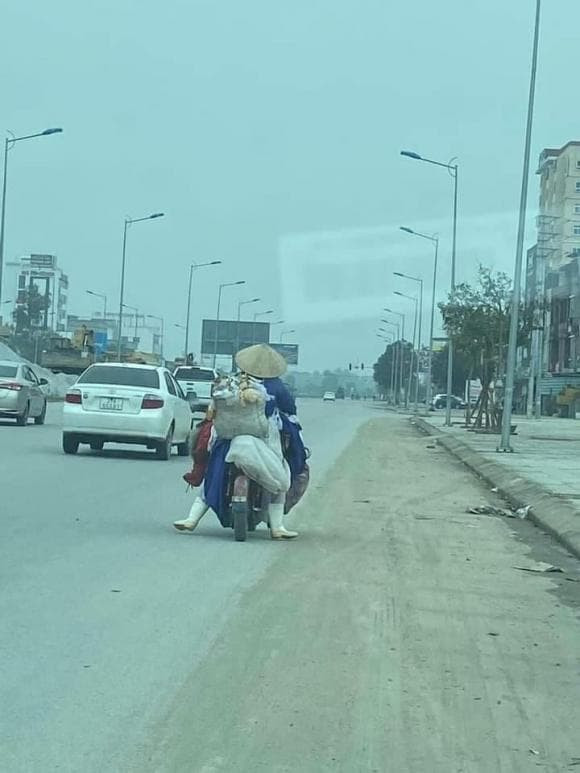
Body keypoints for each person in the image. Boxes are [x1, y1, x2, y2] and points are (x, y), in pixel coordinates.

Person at [173, 344, 307, 540]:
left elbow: (214, 408)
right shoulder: (276, 386)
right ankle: (277, 527)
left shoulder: (231, 382)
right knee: (279, 474)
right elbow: (290, 411)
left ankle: (192, 519)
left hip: (228, 437)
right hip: (264, 439)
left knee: (214, 472)